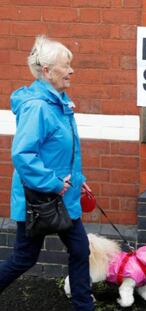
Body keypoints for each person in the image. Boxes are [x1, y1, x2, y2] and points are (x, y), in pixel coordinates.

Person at [0, 35, 94, 310]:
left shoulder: (59, 103)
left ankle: (82, 305)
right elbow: (23, 155)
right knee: (24, 259)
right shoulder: (38, 107)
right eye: (66, 66)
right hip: (39, 199)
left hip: (64, 196)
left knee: (80, 250)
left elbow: (65, 151)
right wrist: (54, 183)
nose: (71, 71)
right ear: (47, 72)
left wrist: (80, 181)